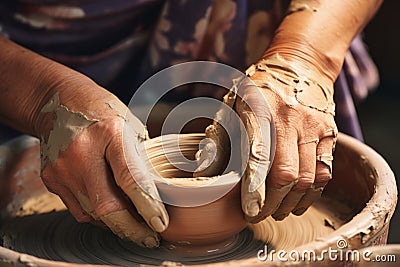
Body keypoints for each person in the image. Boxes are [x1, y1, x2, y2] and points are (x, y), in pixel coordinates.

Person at [0, 0, 382, 248]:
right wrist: (40, 97)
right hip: (36, 53)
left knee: (283, 152)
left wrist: (303, 58)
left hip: (274, 28)